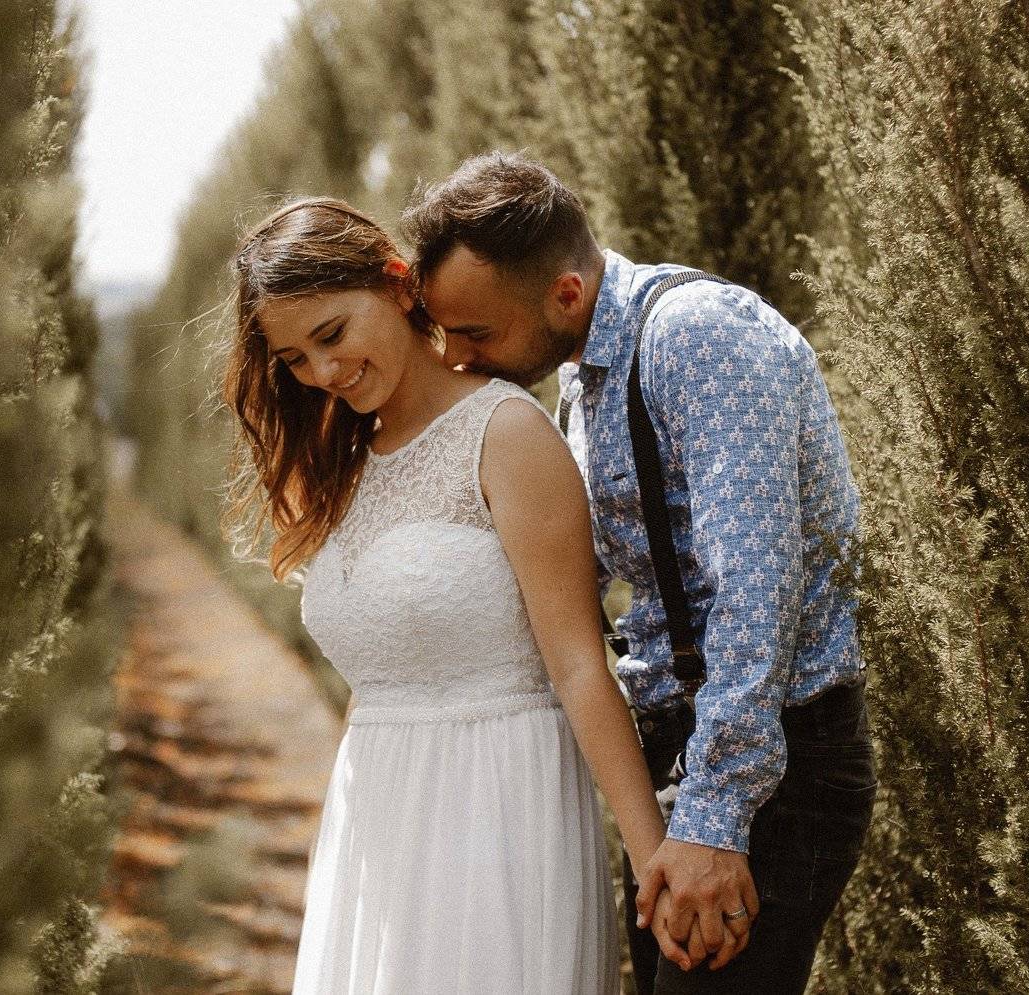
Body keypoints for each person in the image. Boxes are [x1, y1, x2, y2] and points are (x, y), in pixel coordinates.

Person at [402, 151, 877, 995]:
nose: (461, 359)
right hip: (682, 763)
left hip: (772, 771)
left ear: (566, 294)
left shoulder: (698, 337)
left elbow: (754, 595)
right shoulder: (581, 380)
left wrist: (715, 820)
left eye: (477, 334)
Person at [222, 196, 675, 994]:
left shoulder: (506, 432)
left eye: (332, 333)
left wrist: (654, 864)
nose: (323, 372)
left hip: (501, 811)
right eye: (294, 358)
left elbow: (579, 664)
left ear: (398, 284)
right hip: (377, 821)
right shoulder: (344, 463)